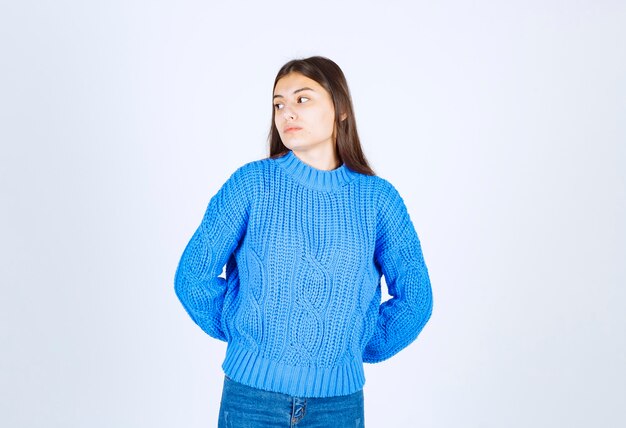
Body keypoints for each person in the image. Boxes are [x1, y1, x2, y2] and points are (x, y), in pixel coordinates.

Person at [174, 56, 433, 427]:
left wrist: (356, 344)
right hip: (251, 399)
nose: (286, 113)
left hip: (338, 407)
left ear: (341, 109)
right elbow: (192, 277)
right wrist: (244, 331)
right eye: (279, 104)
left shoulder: (378, 200)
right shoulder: (251, 185)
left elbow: (416, 296)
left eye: (302, 99)